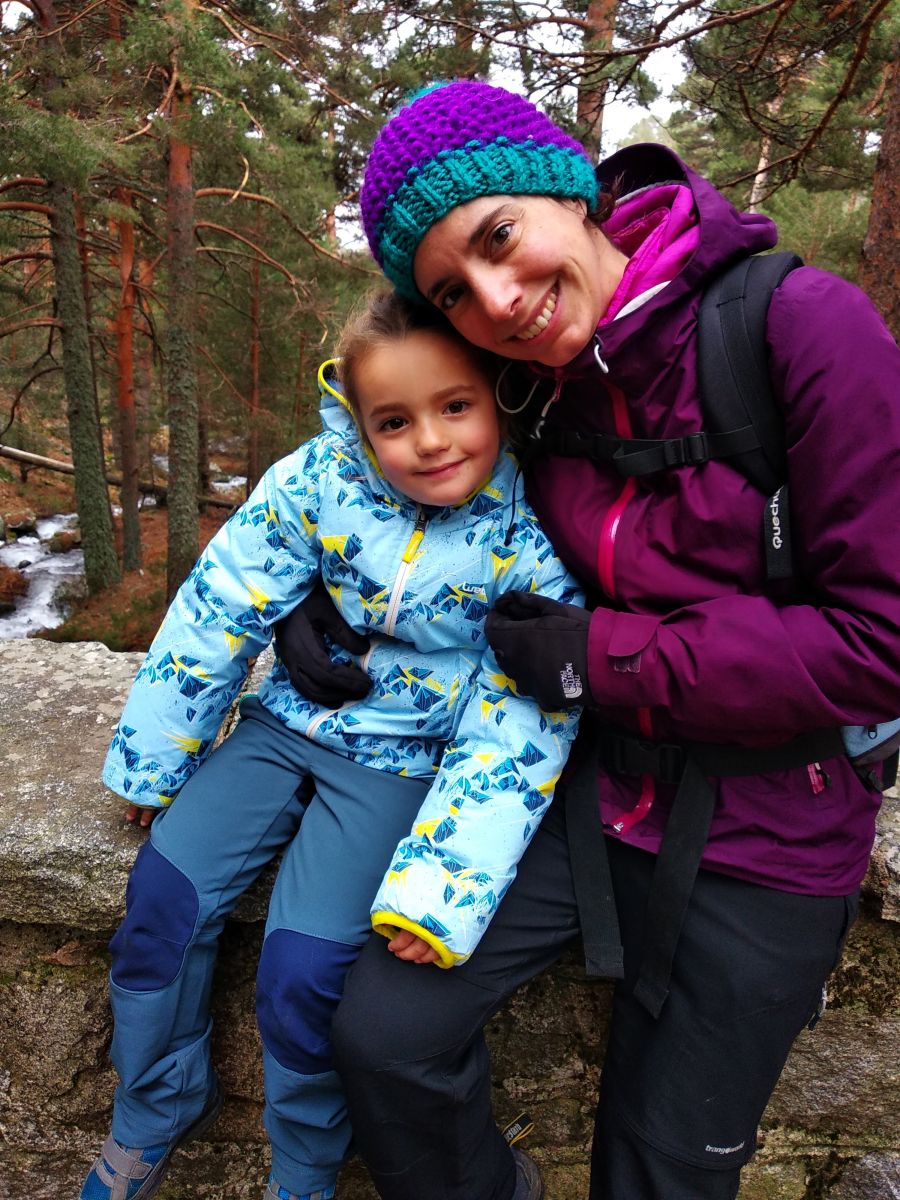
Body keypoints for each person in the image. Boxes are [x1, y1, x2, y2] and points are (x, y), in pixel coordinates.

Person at [274, 80, 900, 1200]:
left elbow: (881, 639)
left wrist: (600, 659)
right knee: (384, 1041)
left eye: (498, 237)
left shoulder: (802, 325)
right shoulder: (531, 388)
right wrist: (325, 598)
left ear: (567, 187)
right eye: (451, 292)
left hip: (777, 827)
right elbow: (420, 504)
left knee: (659, 1171)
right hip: (583, 794)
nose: (498, 300)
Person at [79, 288, 582, 1200]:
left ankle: (305, 1168)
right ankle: (155, 1104)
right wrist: (155, 757)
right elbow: (222, 599)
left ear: (498, 397)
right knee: (160, 903)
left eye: (455, 407)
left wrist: (440, 895)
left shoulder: (530, 535)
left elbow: (517, 725)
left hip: (403, 761)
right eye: (394, 421)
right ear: (357, 421)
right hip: (286, 726)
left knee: (305, 975)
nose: (429, 441)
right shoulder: (322, 478)